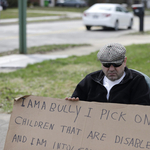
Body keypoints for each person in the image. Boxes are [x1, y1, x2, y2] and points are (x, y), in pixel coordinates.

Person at [65, 43, 150, 105]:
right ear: (101, 64)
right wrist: (73, 103)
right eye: (106, 65)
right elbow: (77, 103)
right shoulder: (90, 80)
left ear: (124, 61)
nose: (111, 69)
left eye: (116, 64)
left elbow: (141, 113)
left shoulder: (137, 81)